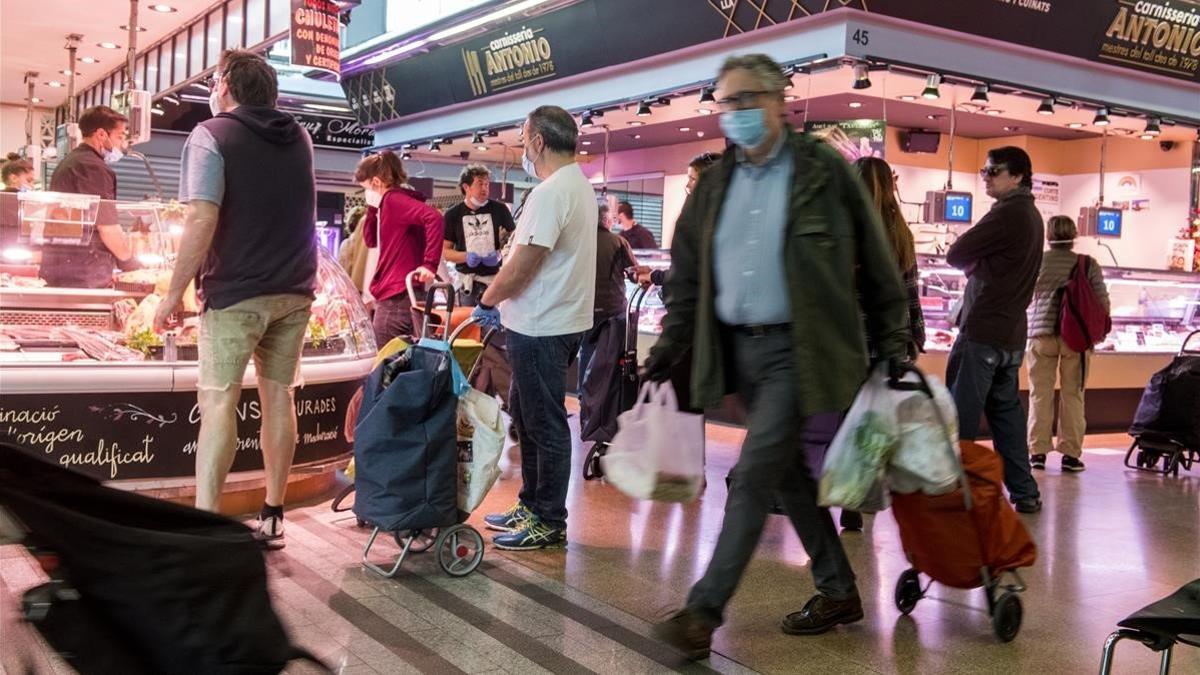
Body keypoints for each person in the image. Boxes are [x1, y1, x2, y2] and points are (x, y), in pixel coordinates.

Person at [646, 54, 909, 660]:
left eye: (744, 100)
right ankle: (839, 588)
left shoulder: (823, 173)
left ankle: (702, 611)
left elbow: (876, 257)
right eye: (725, 102)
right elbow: (688, 276)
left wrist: (893, 338)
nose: (733, 113)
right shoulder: (714, 184)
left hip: (802, 348)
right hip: (740, 353)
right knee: (785, 471)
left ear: (777, 102)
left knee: (752, 474)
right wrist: (669, 344)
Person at [151, 49, 318, 549]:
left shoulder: (211, 135)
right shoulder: (300, 137)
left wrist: (171, 295)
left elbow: (201, 219)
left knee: (219, 401)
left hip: (236, 292)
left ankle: (206, 525)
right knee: (278, 398)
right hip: (294, 290)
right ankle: (272, 514)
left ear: (223, 85)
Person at [473, 105, 597, 551]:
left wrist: (485, 301)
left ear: (539, 141)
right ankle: (531, 502)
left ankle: (549, 517)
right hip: (548, 321)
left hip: (543, 326)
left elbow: (524, 264)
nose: (523, 146)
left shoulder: (552, 193)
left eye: (524, 138)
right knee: (526, 416)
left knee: (544, 424)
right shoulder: (576, 186)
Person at [945, 146, 1044, 514]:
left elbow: (956, 254)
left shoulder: (1007, 214)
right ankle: (1025, 492)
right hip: (1011, 334)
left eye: (993, 171)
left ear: (1017, 176)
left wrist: (975, 265)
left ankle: (956, 494)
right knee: (1007, 420)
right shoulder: (1032, 215)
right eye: (984, 170)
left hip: (983, 330)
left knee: (961, 418)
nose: (986, 176)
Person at [1026, 215, 1110, 473]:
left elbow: (1024, 296)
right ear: (1073, 234)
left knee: (1039, 394)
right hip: (1076, 337)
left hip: (1040, 335)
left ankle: (1038, 452)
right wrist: (1100, 330)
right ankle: (1071, 455)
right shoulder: (1087, 264)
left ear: (1048, 235)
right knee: (1073, 395)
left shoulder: (1036, 261)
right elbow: (1102, 300)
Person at [357, 151, 442, 346]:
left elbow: (434, 217)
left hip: (396, 297)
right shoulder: (389, 203)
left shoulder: (394, 200)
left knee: (384, 366)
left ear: (376, 182)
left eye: (366, 187)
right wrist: (371, 209)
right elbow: (371, 241)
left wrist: (430, 264)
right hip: (405, 294)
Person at [45, 106, 136, 288]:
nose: (122, 145)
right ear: (102, 134)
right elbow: (107, 227)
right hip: (84, 271)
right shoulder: (93, 168)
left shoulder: (70, 161)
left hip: (63, 266)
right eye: (120, 137)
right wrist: (130, 263)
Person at [637, 152, 722, 287]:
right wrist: (654, 274)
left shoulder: (707, 222)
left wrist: (653, 276)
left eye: (692, 179)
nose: (688, 185)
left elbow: (688, 273)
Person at [443, 163, 516, 306]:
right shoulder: (453, 214)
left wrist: (499, 255)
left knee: (493, 326)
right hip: (466, 283)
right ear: (466, 187)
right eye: (480, 184)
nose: (485, 189)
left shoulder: (500, 209)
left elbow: (515, 241)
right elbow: (445, 252)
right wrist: (465, 256)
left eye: (487, 184)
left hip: (493, 281)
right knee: (469, 325)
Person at [336, 206, 369, 293]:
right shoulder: (366, 243)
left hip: (347, 290)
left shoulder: (345, 243)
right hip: (360, 290)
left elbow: (341, 269)